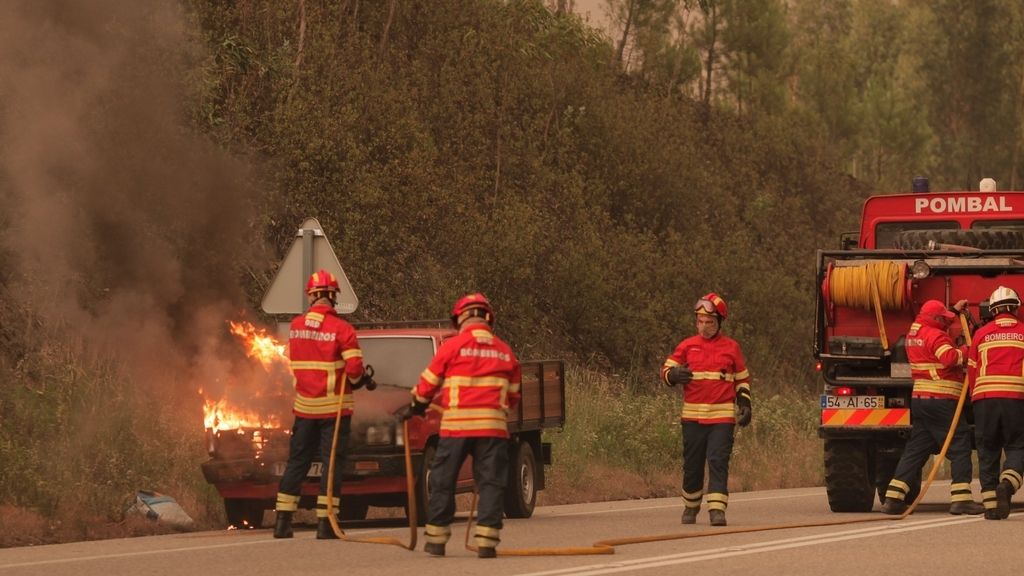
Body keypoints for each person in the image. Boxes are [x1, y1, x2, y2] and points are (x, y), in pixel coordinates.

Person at [399, 293, 521, 558]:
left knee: (443, 481)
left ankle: (436, 541)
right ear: (488, 318)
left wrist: (416, 407)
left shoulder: (452, 347)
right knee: (490, 483)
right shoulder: (505, 351)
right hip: (492, 430)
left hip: (457, 428)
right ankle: (487, 542)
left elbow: (427, 385)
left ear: (461, 318)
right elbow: (513, 397)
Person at [273, 269, 375, 539]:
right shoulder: (342, 329)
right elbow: (354, 371)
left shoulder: (296, 327)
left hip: (305, 408)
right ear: (332, 297)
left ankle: (282, 522)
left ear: (311, 296)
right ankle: (325, 524)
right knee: (331, 465)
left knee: (297, 462)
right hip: (334, 410)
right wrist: (360, 378)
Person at [881, 299, 983, 515]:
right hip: (941, 400)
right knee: (959, 445)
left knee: (916, 450)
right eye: (943, 319)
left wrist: (954, 312)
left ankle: (893, 498)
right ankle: (961, 499)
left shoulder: (915, 333)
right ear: (936, 319)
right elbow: (948, 357)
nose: (946, 323)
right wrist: (967, 349)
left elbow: (936, 332)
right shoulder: (936, 336)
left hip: (920, 399)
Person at [661, 292, 751, 527]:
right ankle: (691, 506)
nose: (704, 327)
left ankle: (717, 511)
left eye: (709, 322)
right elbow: (666, 370)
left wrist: (745, 404)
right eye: (700, 322)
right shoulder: (687, 346)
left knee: (717, 461)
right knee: (692, 464)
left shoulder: (731, 348)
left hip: (721, 418)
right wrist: (673, 375)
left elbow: (742, 380)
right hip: (692, 419)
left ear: (719, 322)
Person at [968, 285, 1024, 520]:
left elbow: (972, 369)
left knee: (987, 450)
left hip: (984, 401)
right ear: (1016, 309)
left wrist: (975, 398)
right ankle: (1008, 484)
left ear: (992, 310)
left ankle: (992, 506)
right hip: (1016, 399)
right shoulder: (1023, 332)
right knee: (1018, 446)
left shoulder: (981, 334)